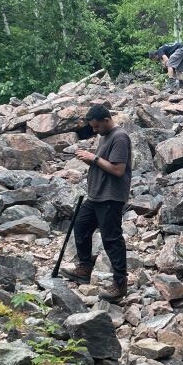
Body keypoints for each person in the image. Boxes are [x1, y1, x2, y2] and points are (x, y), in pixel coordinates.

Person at [64, 104, 132, 302]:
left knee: (111, 239)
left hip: (111, 197)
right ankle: (85, 268)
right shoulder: (105, 136)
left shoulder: (120, 137)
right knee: (81, 225)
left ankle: (120, 283)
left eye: (96, 127)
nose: (94, 131)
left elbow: (118, 170)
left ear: (106, 120)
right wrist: (90, 160)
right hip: (96, 195)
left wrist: (93, 158)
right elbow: (103, 163)